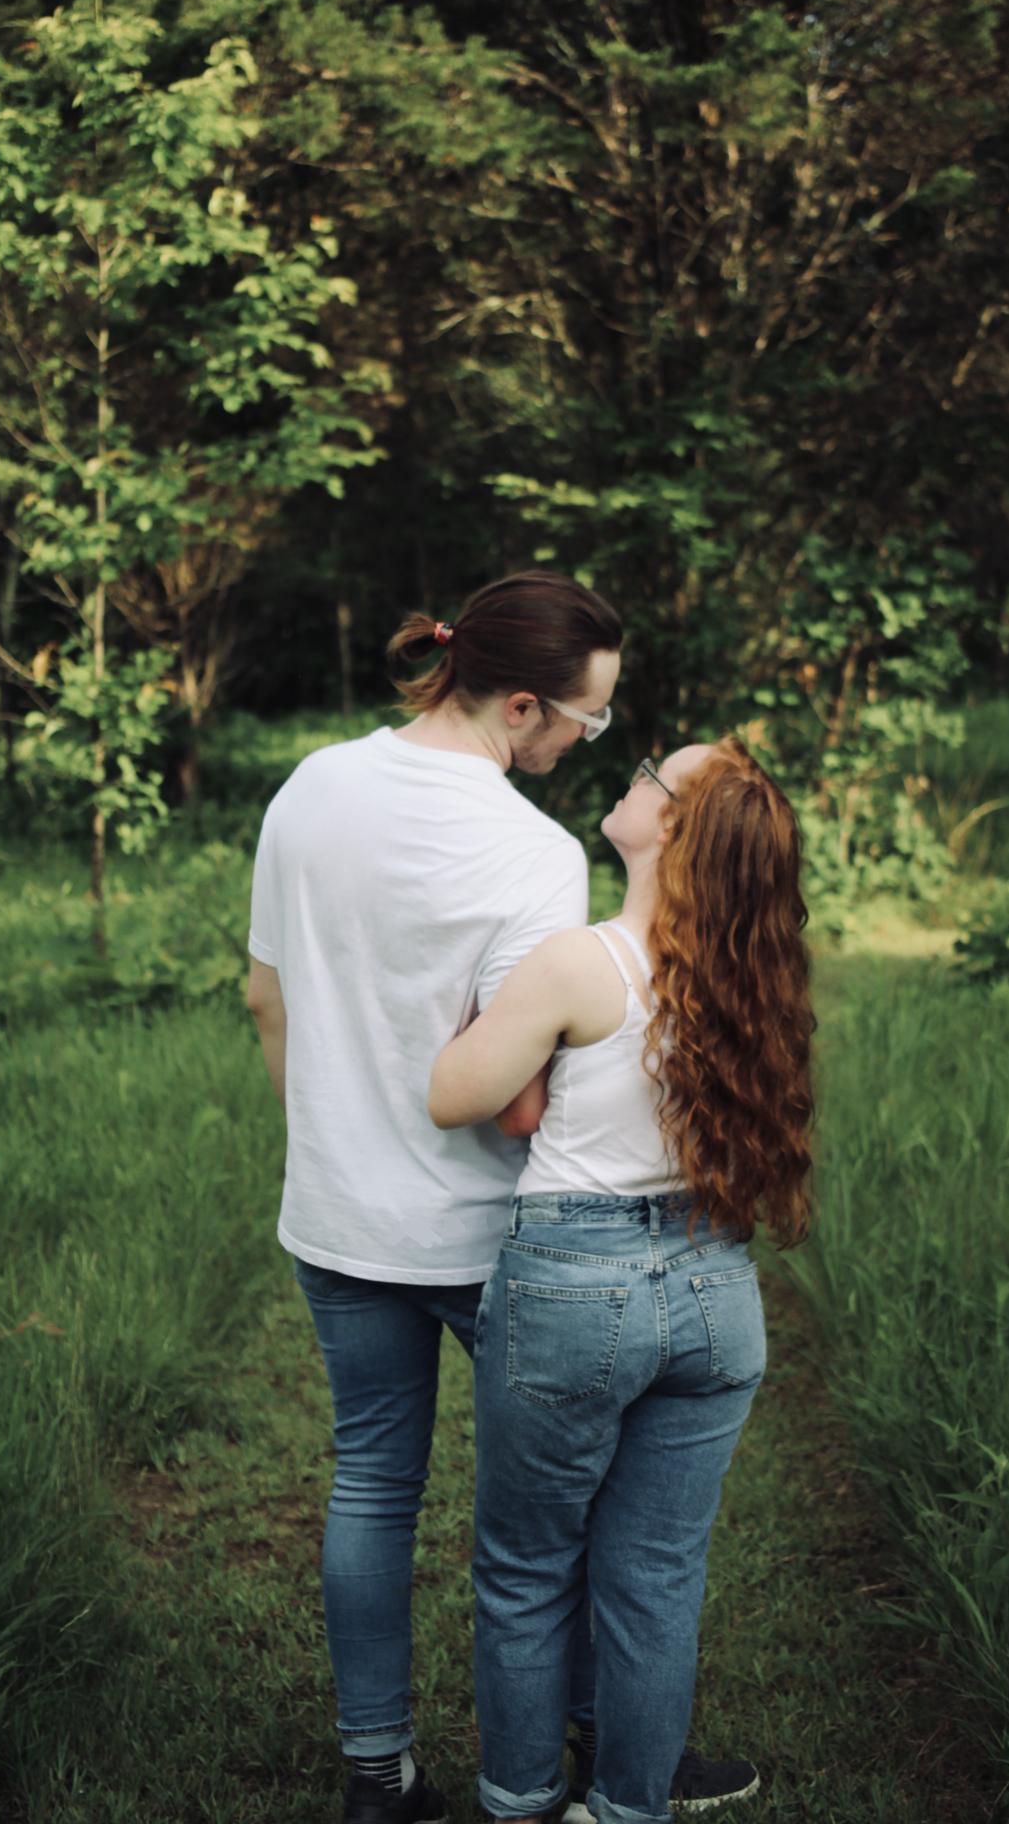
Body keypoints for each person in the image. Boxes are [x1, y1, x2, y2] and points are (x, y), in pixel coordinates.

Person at [246, 570, 622, 1824]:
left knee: (369, 1480)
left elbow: (267, 994)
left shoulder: (311, 785)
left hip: (337, 1215)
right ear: (522, 706)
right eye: (588, 720)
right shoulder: (531, 850)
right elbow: (516, 1091)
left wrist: (333, 1132)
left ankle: (375, 1775)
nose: (584, 744)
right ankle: (606, 1741)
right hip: (486, 1232)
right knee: (561, 1506)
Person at [429, 739, 815, 1824]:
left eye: (654, 770)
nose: (636, 774)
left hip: (573, 1284)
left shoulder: (575, 963)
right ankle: (630, 1807)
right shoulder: (752, 976)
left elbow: (457, 1092)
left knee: (525, 1567)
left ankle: (520, 1801)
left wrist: (483, 1018)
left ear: (671, 828)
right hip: (713, 1288)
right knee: (654, 1575)